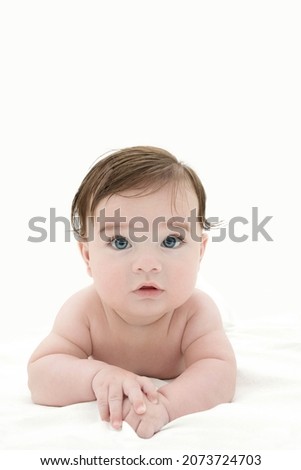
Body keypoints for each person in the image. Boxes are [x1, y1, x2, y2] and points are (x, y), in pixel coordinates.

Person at [28, 146, 236, 439]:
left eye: (171, 241)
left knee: (223, 317)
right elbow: (41, 374)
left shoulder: (195, 312)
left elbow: (219, 371)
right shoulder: (85, 311)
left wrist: (166, 405)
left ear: (200, 251)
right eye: (121, 242)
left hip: (208, 309)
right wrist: (97, 376)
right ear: (88, 256)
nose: (148, 265)